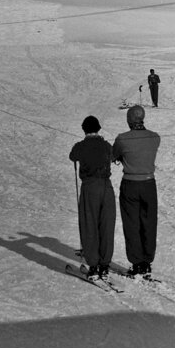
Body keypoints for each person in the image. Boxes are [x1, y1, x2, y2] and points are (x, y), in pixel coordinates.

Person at [112, 105, 161, 277]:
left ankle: (136, 262)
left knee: (131, 223)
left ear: (129, 120)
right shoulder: (155, 137)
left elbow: (113, 155)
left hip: (130, 184)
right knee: (149, 223)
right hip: (149, 184)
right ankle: (147, 261)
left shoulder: (122, 139)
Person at [70, 115, 116, 279]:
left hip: (90, 187)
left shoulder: (80, 146)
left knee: (90, 224)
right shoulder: (106, 145)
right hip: (106, 187)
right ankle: (105, 264)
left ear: (84, 130)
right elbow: (114, 156)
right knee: (106, 225)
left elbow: (72, 156)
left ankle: (94, 265)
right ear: (98, 129)